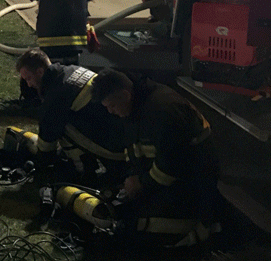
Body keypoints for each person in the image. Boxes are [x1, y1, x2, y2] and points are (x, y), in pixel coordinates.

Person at [92, 69, 221, 246]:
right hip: (168, 177)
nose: (110, 111)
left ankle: (202, 230)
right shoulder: (135, 106)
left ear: (125, 95)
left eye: (112, 106)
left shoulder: (162, 111)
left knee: (137, 225)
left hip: (192, 182)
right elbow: (136, 149)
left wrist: (140, 183)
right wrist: (133, 178)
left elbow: (172, 166)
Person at [15, 49, 126, 185]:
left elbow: (46, 145)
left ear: (40, 72)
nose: (28, 85)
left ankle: (84, 171)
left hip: (115, 146)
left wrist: (40, 168)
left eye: (28, 78)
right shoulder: (72, 70)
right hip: (124, 129)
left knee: (63, 127)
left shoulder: (55, 97)